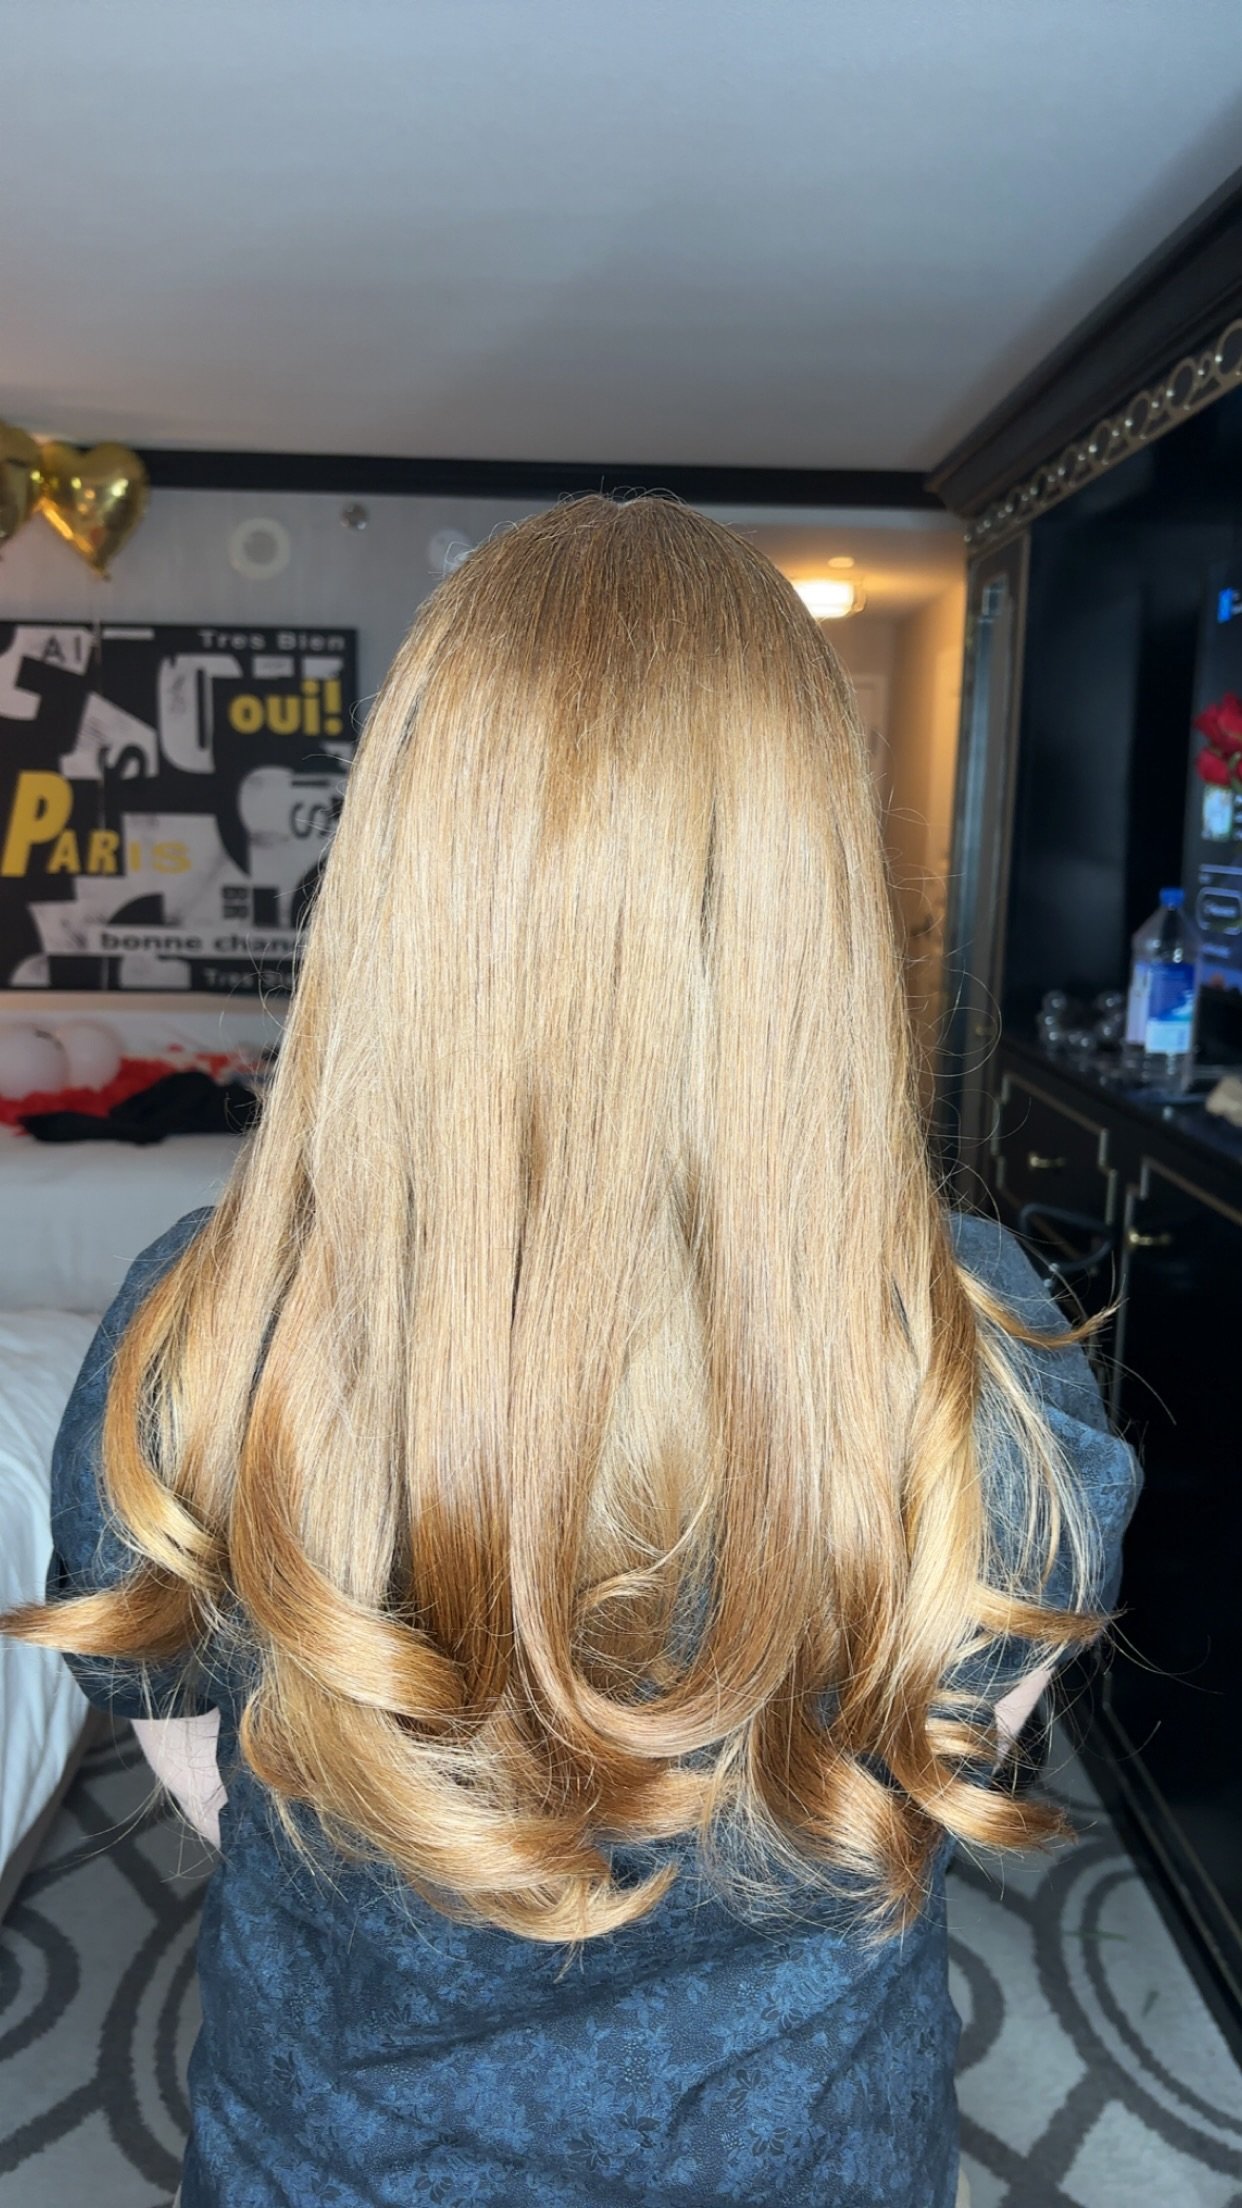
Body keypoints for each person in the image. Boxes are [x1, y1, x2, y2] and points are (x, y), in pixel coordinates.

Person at [4, 496, 1140, 2208]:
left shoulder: (202, 1323)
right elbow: (936, 1760)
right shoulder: (975, 1348)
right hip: (811, 2161)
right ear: (814, 897)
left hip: (336, 2154)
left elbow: (218, 1795)